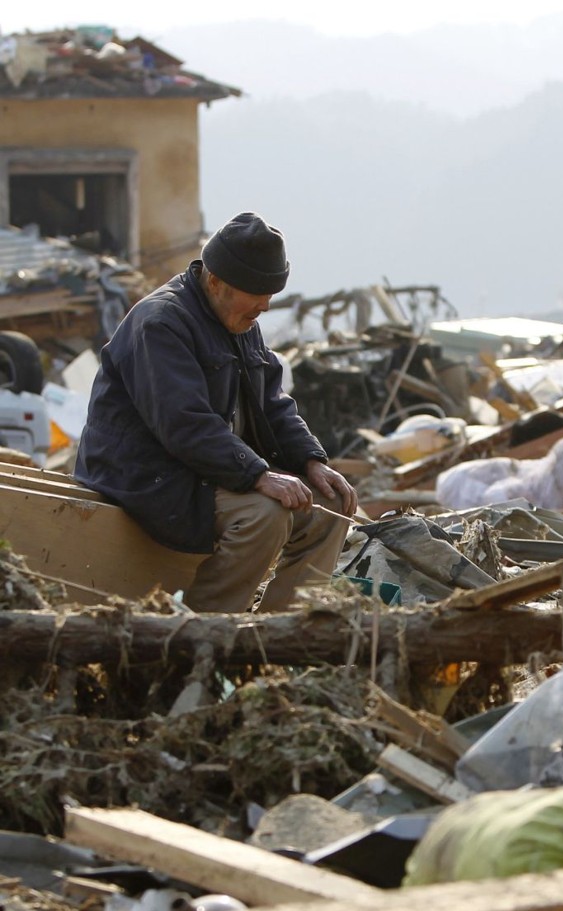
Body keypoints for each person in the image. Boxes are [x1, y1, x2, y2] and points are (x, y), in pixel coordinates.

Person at [75, 211, 358, 612]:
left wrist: (312, 461)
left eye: (267, 301)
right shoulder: (160, 323)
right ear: (215, 282)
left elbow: (272, 404)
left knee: (330, 510)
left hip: (208, 470)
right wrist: (257, 474)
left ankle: (282, 637)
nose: (262, 309)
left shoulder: (240, 319)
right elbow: (184, 424)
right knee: (266, 514)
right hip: (148, 476)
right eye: (255, 300)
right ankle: (202, 638)